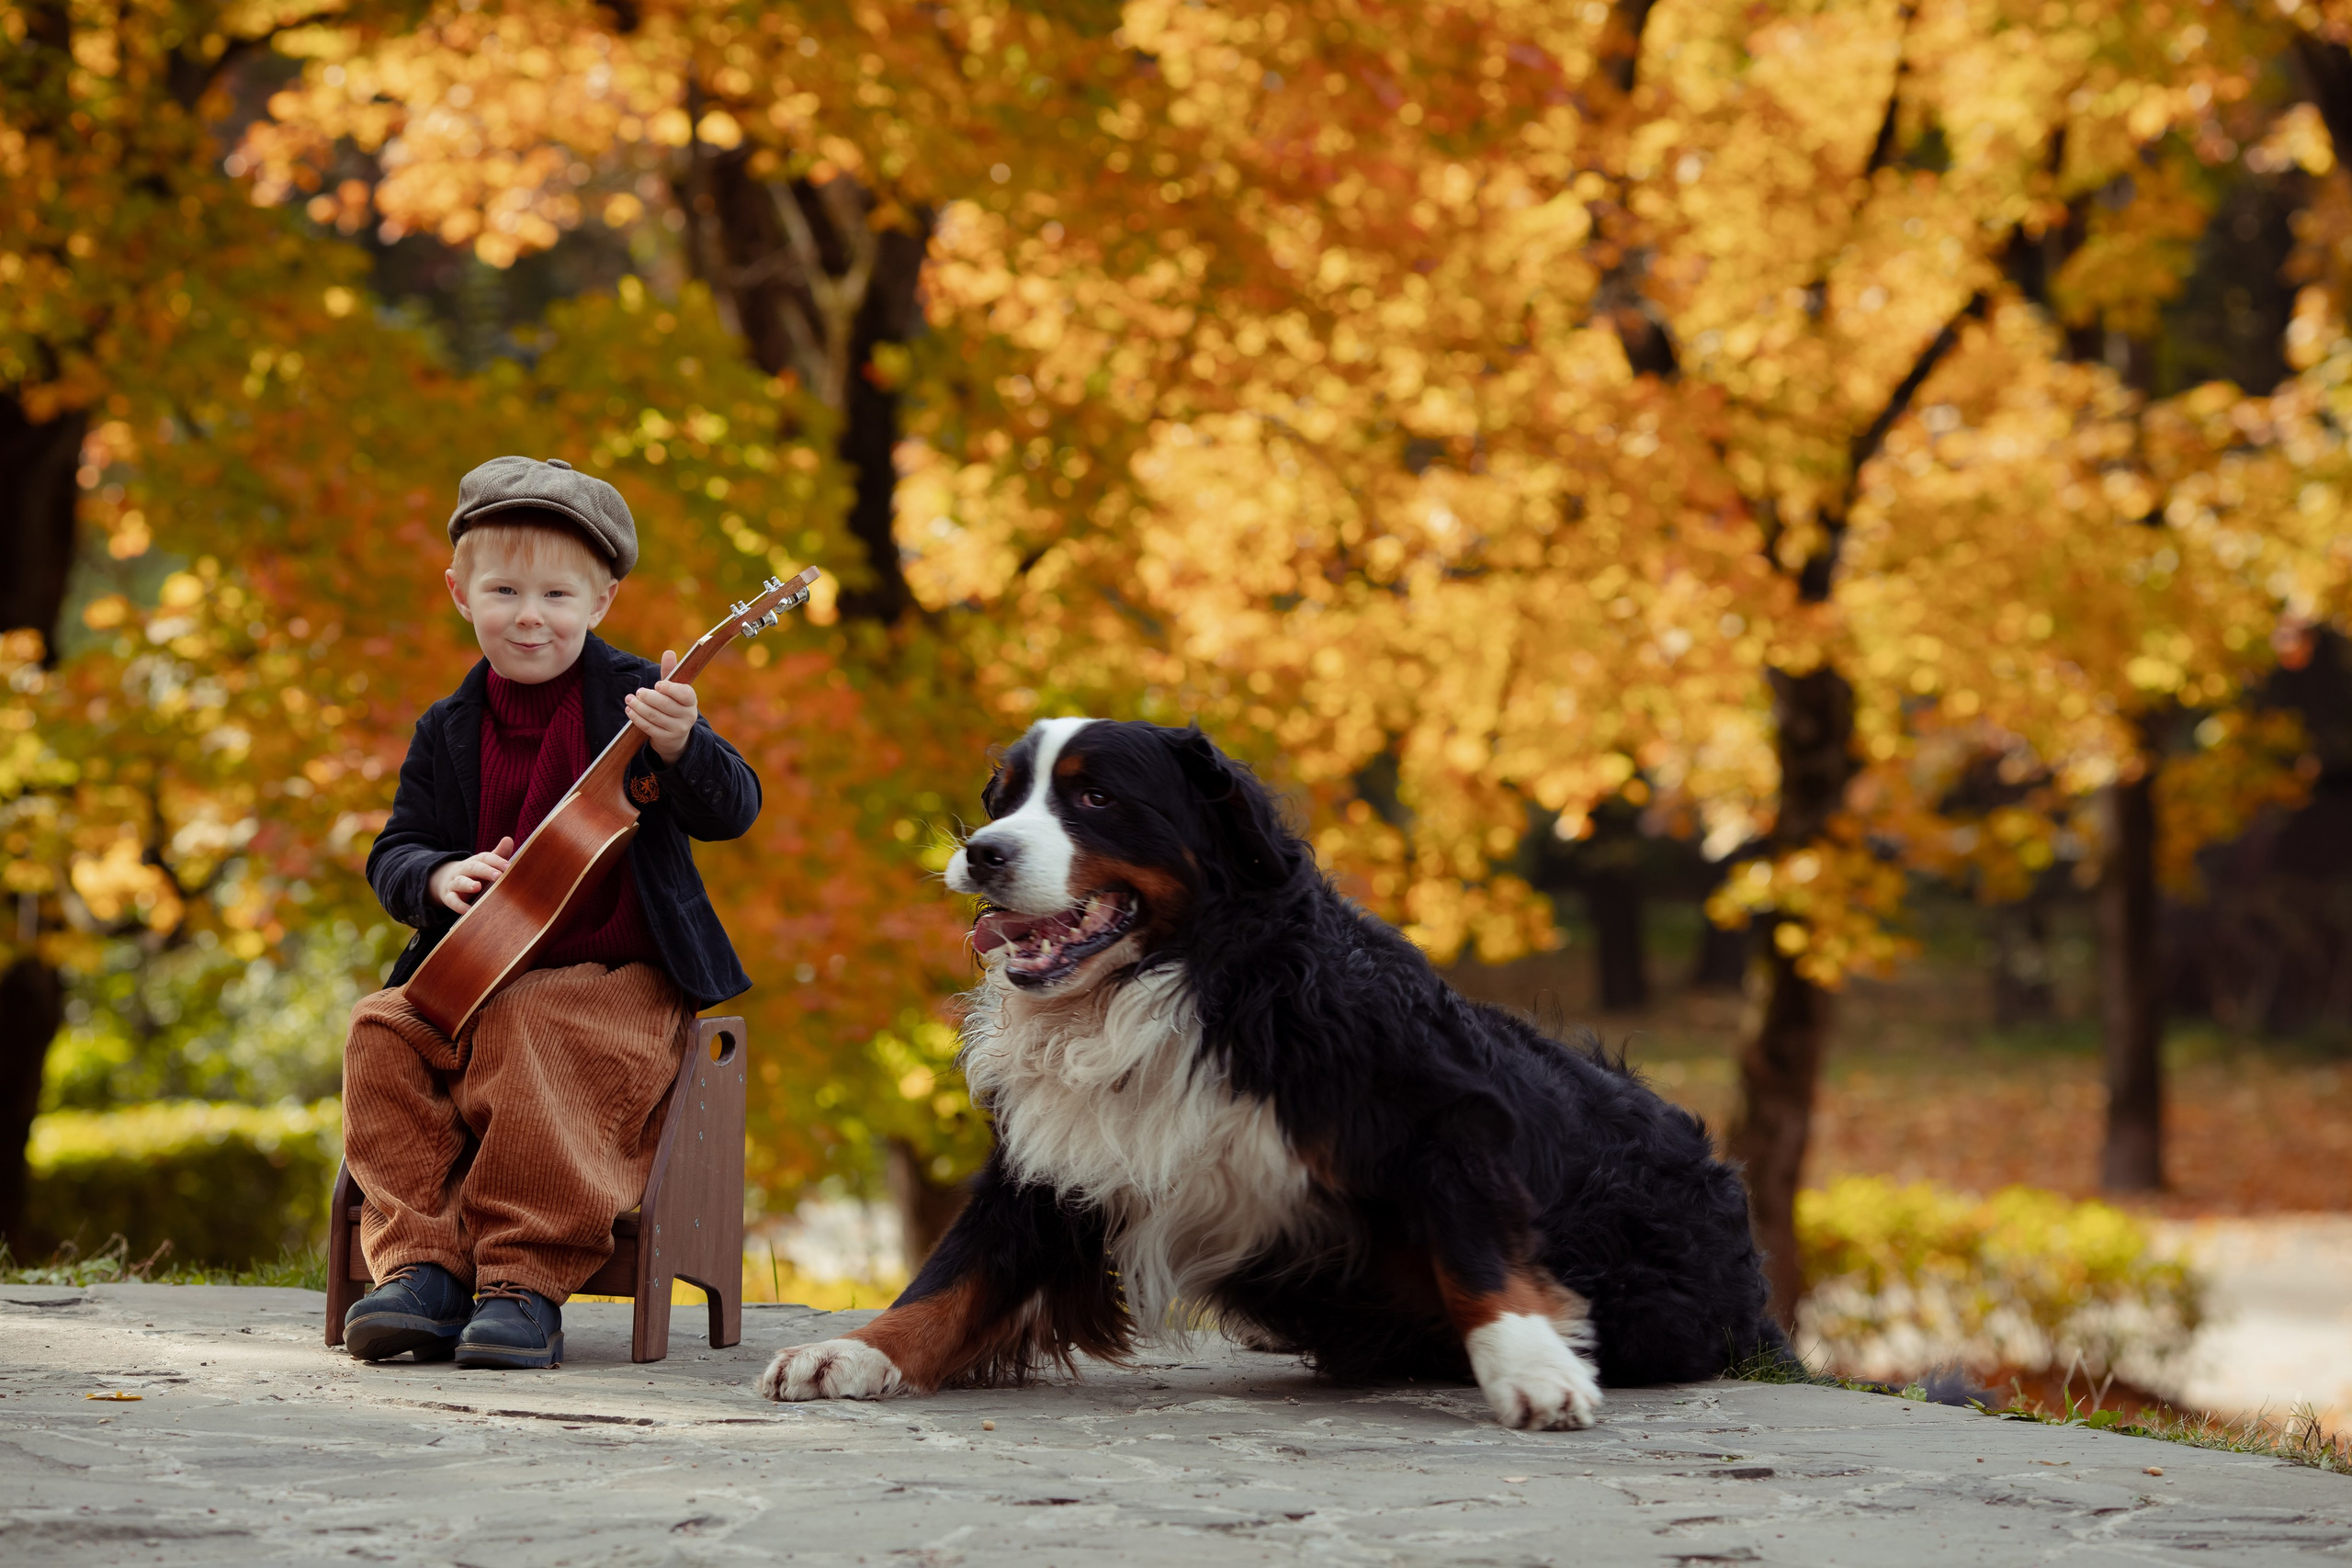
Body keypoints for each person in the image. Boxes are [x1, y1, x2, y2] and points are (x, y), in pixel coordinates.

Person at [338, 455, 760, 1370]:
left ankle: (523, 1282)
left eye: (558, 595)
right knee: (380, 1028)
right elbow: (394, 847)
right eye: (504, 590)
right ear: (459, 593)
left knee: (533, 1023)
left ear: (601, 601)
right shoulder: (447, 728)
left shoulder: (639, 704)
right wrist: (436, 874)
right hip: (477, 970)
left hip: (623, 978)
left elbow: (732, 810)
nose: (531, 615)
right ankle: (421, 1270)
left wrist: (686, 746)